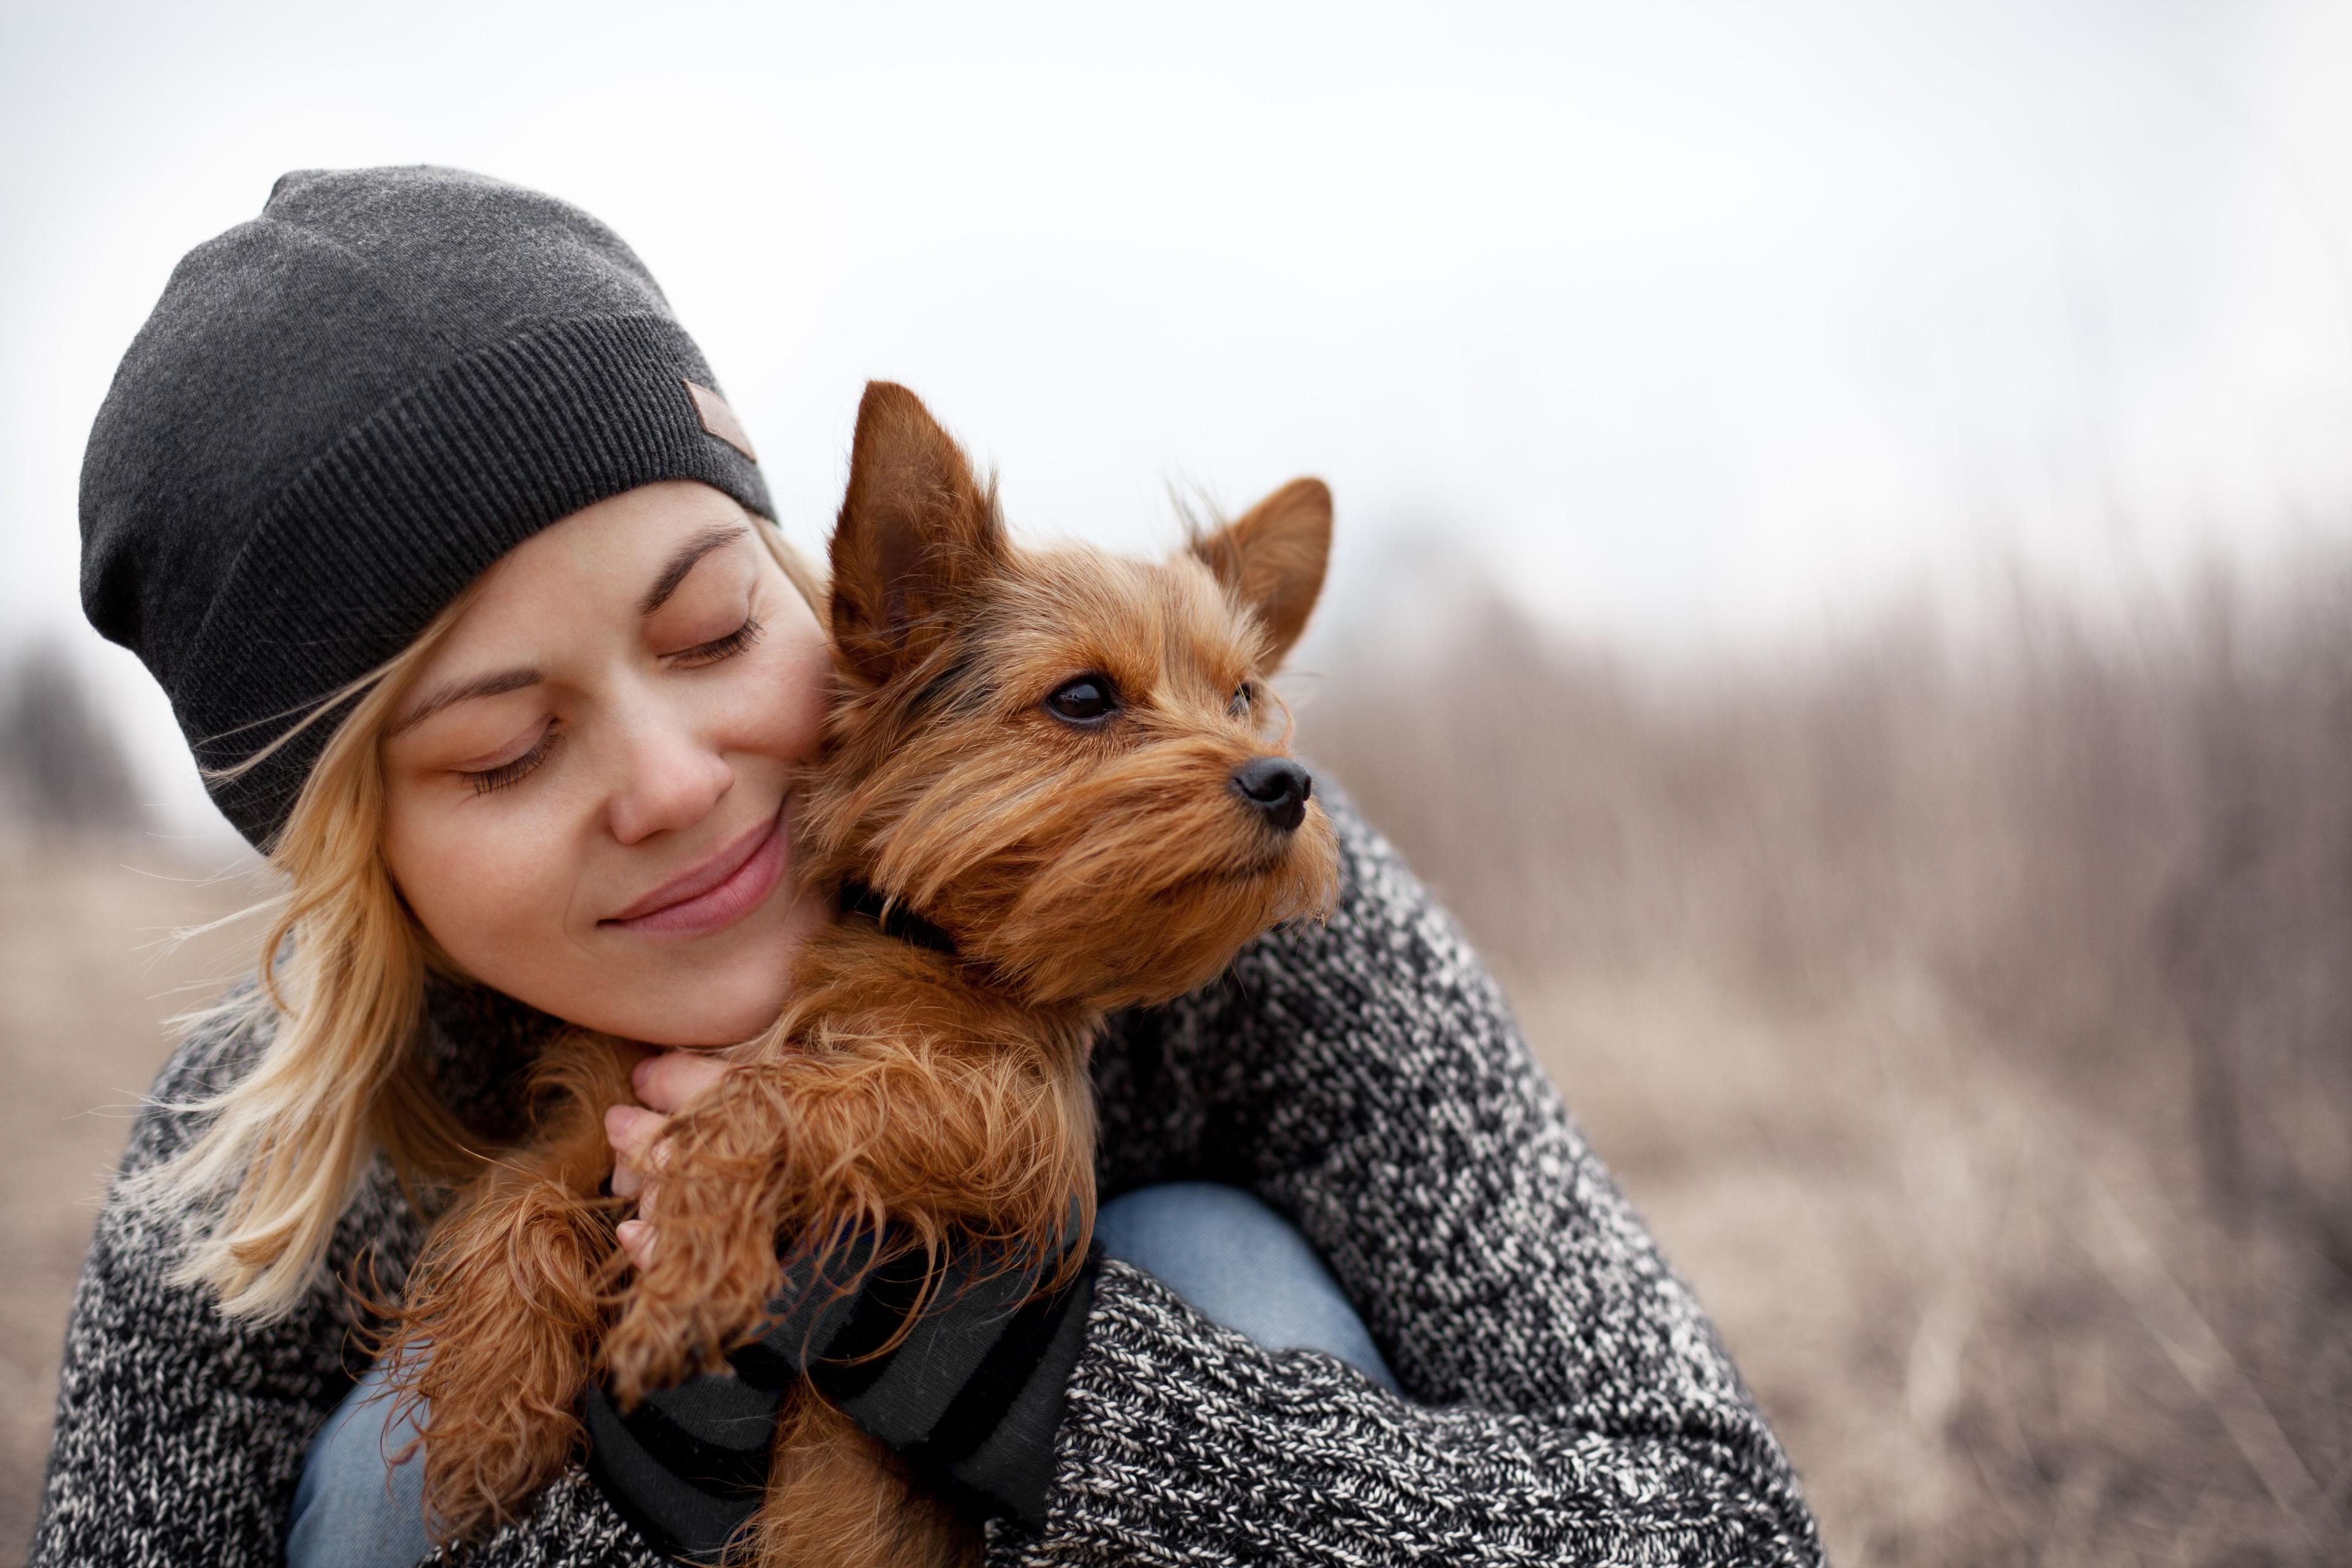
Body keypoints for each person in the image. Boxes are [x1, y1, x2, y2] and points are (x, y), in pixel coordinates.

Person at [32, 166, 1822, 1567]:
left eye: (718, 631)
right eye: (506, 750)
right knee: (381, 1477)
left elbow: (1729, 1531)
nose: (673, 784)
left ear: (832, 597)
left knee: (1216, 1266)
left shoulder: (1254, 922)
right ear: (359, 858)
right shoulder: (254, 1176)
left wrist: (1068, 1405)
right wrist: (644, 1495)